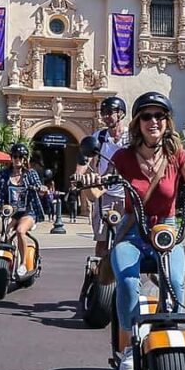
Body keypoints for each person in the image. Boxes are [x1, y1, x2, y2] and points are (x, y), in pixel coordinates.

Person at [75, 92, 185, 370]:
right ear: (138, 122)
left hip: (166, 231)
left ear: (167, 122)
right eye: (146, 116)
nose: (153, 121)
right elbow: (101, 188)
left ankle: (167, 336)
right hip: (133, 230)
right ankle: (127, 349)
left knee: (175, 281)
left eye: (159, 115)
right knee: (126, 281)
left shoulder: (178, 155)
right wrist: (88, 183)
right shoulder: (123, 157)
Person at [75, 96, 129, 258]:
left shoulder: (131, 137)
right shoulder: (99, 136)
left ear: (121, 114)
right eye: (103, 112)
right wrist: (78, 175)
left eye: (109, 112)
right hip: (104, 193)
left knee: (127, 240)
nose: (105, 116)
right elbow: (85, 157)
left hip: (127, 194)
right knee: (102, 241)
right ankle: (99, 276)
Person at [0, 143, 47, 276]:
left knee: (19, 231)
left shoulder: (30, 174)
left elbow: (38, 186)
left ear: (25, 159)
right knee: (5, 234)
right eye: (15, 156)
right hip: (11, 212)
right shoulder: (5, 174)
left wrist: (42, 189)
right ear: (11, 158)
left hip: (28, 212)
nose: (18, 159)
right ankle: (7, 263)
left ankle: (23, 264)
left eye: (21, 157)